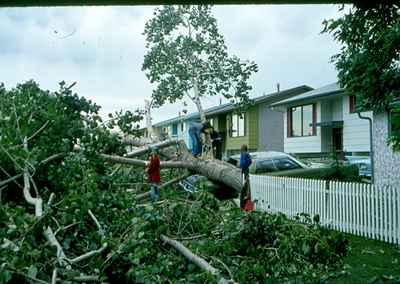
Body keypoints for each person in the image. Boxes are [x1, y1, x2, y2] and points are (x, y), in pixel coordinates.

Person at [239, 144, 252, 209]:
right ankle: (244, 206)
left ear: (243, 149)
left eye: (241, 149)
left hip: (244, 171)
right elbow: (249, 162)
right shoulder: (245, 154)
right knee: (245, 187)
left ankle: (245, 206)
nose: (240, 150)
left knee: (246, 188)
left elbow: (244, 163)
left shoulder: (245, 154)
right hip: (244, 171)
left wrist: (242, 167)